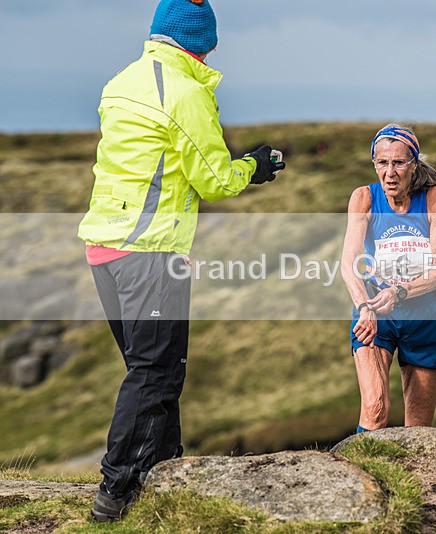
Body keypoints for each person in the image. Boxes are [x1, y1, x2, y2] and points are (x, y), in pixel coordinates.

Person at [77, 0, 286, 521]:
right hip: (150, 252)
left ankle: (164, 472)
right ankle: (115, 493)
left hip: (104, 248)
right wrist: (255, 166)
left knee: (153, 370)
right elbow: (214, 180)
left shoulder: (120, 82)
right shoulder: (186, 93)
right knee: (155, 372)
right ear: (201, 43)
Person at [341, 124, 436, 433]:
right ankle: (360, 465)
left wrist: (400, 292)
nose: (390, 172)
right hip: (375, 310)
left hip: (425, 314)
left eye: (398, 163)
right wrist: (364, 308)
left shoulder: (435, 198)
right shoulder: (364, 197)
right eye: (382, 162)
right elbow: (349, 264)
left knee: (418, 428)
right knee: (375, 408)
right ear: (374, 164)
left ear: (413, 164)